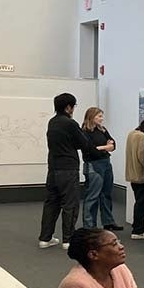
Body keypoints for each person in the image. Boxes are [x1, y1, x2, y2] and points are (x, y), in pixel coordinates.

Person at [38, 92, 93, 250]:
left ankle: (45, 238)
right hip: (68, 168)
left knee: (51, 203)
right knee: (70, 204)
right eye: (74, 106)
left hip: (53, 168)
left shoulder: (52, 122)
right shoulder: (70, 123)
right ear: (68, 107)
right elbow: (84, 143)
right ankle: (68, 240)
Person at [80, 107, 120, 231]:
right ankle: (89, 225)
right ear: (91, 117)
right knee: (92, 195)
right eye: (99, 116)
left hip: (106, 163)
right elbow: (89, 150)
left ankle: (108, 221)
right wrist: (105, 147)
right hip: (93, 165)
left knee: (106, 194)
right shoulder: (84, 132)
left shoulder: (103, 130)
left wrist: (106, 147)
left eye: (102, 116)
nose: (102, 119)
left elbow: (113, 144)